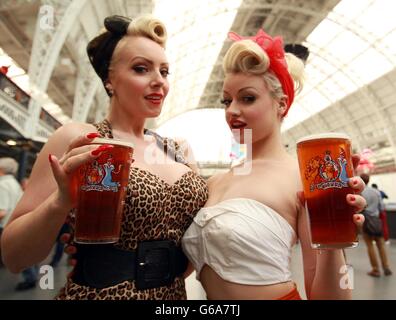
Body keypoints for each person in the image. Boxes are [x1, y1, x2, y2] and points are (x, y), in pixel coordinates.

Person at [1, 15, 208, 300]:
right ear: (109, 80)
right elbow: (14, 257)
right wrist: (59, 204)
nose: (158, 81)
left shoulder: (176, 149)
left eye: (164, 71)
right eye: (141, 69)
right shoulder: (82, 139)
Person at [181, 29, 366, 300]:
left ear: (281, 104)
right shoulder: (214, 183)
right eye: (227, 100)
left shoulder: (305, 179)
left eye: (247, 98)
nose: (232, 110)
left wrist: (334, 246)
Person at [0, 159, 38, 290]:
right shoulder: (14, 184)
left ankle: (30, 277)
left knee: (19, 253)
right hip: (16, 222)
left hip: (4, 225)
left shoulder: (3, 185)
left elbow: (2, 211)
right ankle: (32, 276)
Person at [361, 174, 392, 277]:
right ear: (369, 180)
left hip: (366, 221)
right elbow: (382, 207)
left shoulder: (360, 192)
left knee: (370, 245)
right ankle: (386, 267)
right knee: (381, 244)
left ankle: (375, 269)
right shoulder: (376, 192)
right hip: (376, 221)